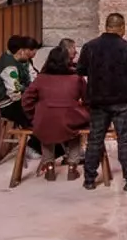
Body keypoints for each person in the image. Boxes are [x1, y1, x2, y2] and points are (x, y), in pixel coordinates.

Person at [77, 11, 127, 191]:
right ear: (122, 28)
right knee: (125, 140)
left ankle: (89, 179)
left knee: (95, 139)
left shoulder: (90, 47)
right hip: (125, 101)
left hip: (98, 101)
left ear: (106, 27)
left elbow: (81, 70)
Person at [20, 42, 89, 177]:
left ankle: (49, 165)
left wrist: (34, 115)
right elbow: (88, 98)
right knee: (75, 132)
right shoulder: (76, 78)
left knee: (46, 131)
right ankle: (72, 166)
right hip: (70, 117)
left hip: (45, 117)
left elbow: (26, 99)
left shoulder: (41, 79)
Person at [0, 33, 39, 129]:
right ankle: (36, 141)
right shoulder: (9, 67)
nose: (30, 57)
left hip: (19, 98)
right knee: (37, 117)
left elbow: (33, 76)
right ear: (21, 51)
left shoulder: (21, 61)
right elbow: (14, 92)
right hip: (9, 104)